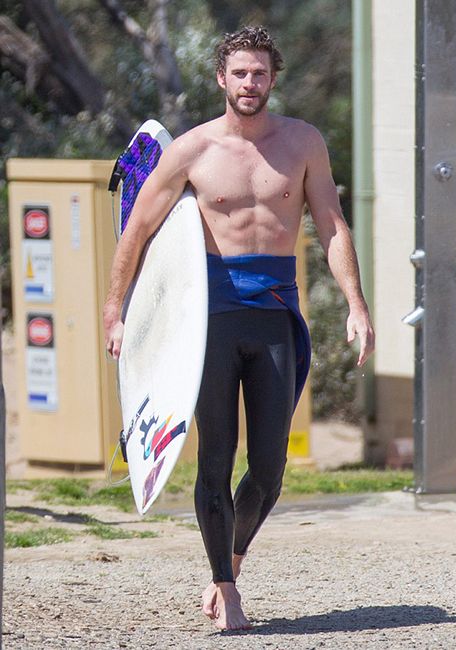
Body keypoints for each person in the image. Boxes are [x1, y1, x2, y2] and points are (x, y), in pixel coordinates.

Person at [103, 25, 375, 631]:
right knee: (216, 457)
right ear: (221, 79)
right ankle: (226, 590)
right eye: (240, 73)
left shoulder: (303, 143)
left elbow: (331, 224)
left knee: (271, 468)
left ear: (272, 79)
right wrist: (116, 309)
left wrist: (356, 304)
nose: (250, 83)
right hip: (211, 320)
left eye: (260, 73)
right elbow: (138, 228)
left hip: (276, 313)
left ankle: (230, 558)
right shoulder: (192, 150)